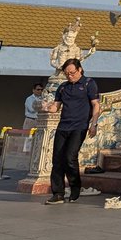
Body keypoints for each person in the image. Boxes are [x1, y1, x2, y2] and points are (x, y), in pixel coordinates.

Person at [41, 58, 100, 205]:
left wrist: (94, 124)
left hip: (79, 126)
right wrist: (46, 107)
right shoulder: (63, 87)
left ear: (79, 70)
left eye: (72, 73)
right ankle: (58, 193)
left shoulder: (88, 84)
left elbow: (96, 105)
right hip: (63, 126)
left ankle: (75, 187)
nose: (69, 76)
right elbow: (56, 107)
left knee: (70, 157)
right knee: (57, 160)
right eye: (67, 74)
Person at [22, 81, 43, 152]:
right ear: (33, 90)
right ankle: (27, 153)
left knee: (38, 137)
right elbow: (32, 109)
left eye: (41, 89)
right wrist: (42, 107)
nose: (40, 91)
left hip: (39, 121)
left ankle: (36, 152)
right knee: (28, 137)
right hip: (30, 120)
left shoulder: (42, 98)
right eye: (38, 89)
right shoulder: (29, 99)